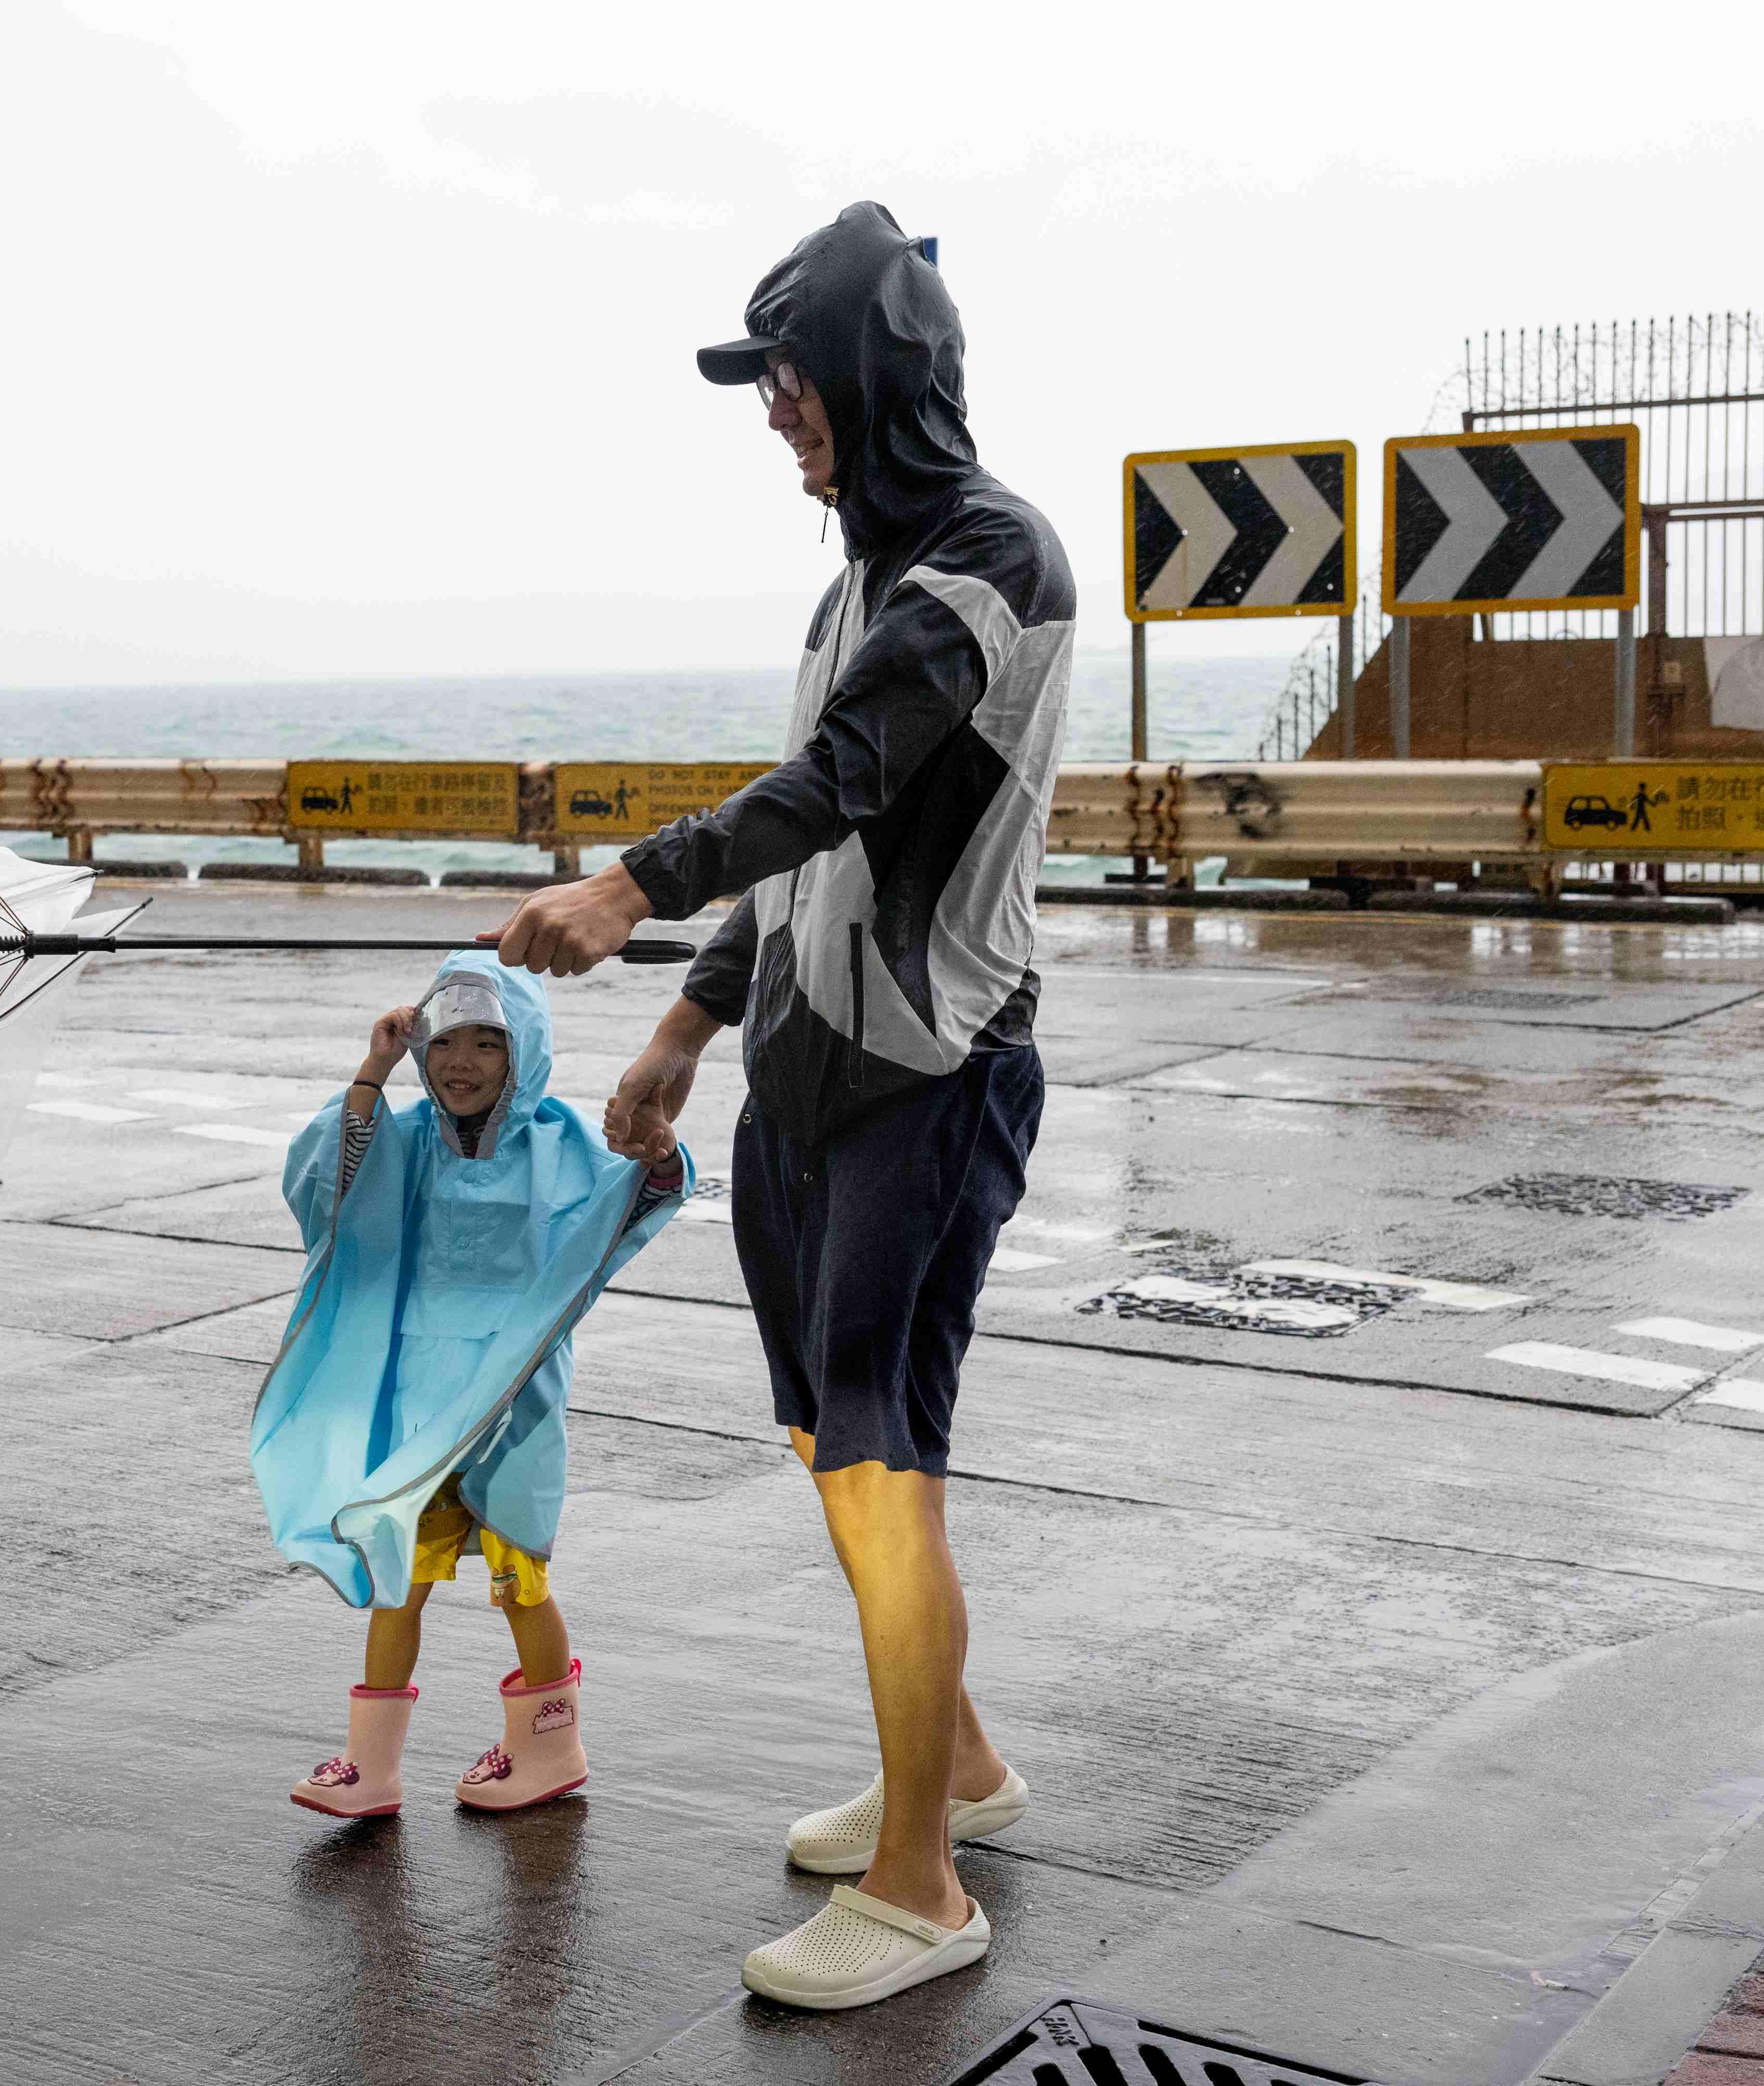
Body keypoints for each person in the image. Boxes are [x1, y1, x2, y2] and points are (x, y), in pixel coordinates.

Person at [494, 201, 1074, 2010]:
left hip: (931, 1080)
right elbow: (815, 847)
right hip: (806, 1079)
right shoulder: (856, 588)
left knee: (884, 1462)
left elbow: (841, 778)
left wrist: (626, 884)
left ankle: (922, 1890)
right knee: (835, 1446)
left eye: (792, 374)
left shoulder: (992, 561)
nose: (773, 410)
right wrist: (686, 1024)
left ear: (879, 374)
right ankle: (955, 1773)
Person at [252, 952, 688, 1819]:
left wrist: (660, 1150)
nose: (462, 1063)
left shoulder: (556, 1143)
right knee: (399, 1571)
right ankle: (372, 1765)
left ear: (524, 1051)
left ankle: (551, 1747)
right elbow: (330, 1188)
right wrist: (374, 1071)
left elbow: (634, 1199)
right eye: (446, 1041)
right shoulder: (407, 1138)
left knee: (521, 1574)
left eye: (490, 1043)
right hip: (418, 1405)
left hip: (513, 1396)